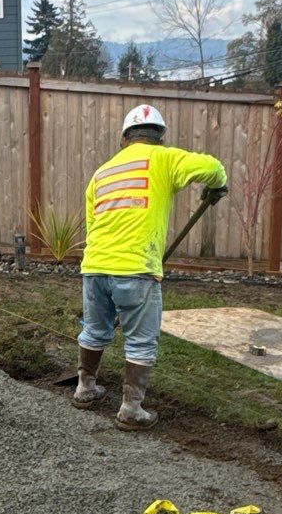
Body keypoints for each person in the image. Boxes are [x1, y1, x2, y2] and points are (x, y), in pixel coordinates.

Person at [74, 102, 227, 429]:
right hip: (136, 268)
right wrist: (217, 184)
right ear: (159, 137)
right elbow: (213, 167)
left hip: (95, 266)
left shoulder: (101, 173)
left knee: (95, 329)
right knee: (141, 341)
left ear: (124, 138)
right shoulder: (163, 158)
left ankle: (85, 388)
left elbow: (92, 223)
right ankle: (131, 409)